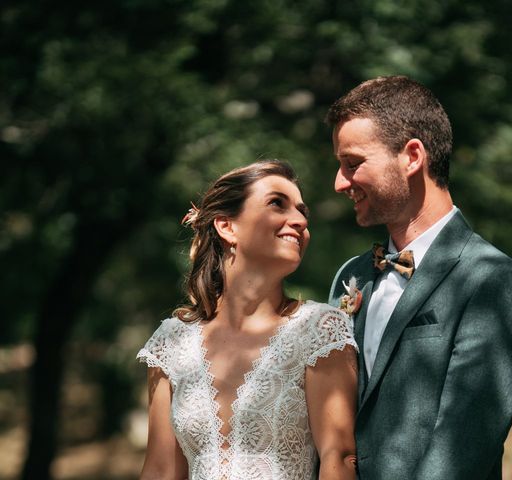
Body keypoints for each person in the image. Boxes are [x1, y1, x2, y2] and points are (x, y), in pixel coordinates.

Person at [327, 76, 512, 479]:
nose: (339, 182)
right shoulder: (350, 277)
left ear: (412, 156)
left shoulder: (492, 281)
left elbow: (463, 448)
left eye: (352, 163)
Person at [137, 160, 358, 480]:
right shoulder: (171, 342)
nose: (298, 221)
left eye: (302, 212)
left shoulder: (319, 330)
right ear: (227, 226)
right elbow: (160, 470)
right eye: (276, 204)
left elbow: (339, 458)